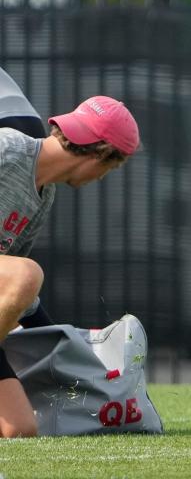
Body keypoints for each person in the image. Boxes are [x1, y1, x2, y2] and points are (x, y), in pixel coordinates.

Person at [0, 95, 140, 437]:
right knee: (27, 273)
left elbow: (13, 293)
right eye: (111, 167)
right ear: (100, 155)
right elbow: (17, 279)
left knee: (19, 428)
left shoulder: (43, 195)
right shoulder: (7, 149)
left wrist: (62, 344)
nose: (103, 177)